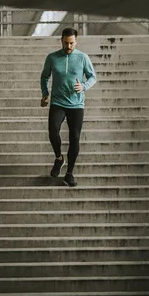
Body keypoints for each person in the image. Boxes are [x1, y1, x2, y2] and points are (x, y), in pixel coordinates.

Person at [40, 27, 97, 187]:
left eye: (72, 43)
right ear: (61, 41)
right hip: (57, 102)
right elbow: (45, 76)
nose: (69, 46)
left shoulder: (82, 57)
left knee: (75, 138)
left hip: (76, 104)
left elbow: (93, 77)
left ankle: (69, 173)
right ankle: (59, 158)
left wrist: (84, 86)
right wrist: (45, 93)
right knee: (53, 131)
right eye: (66, 43)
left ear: (76, 42)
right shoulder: (52, 58)